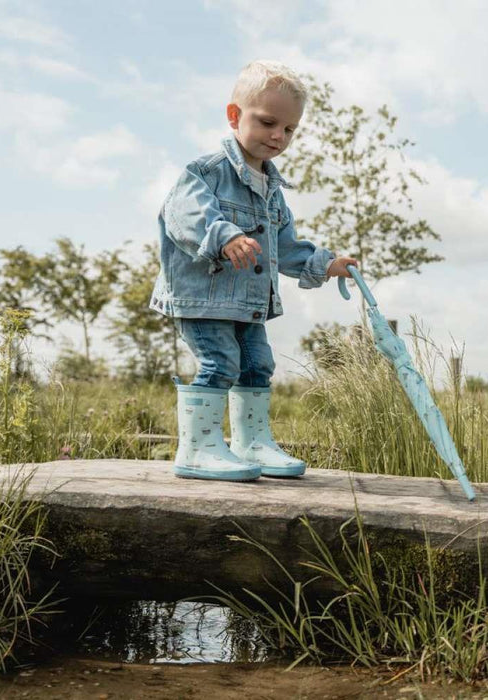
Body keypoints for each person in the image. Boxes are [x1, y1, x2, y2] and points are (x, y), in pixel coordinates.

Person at [150, 60, 357, 482]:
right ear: (234, 116)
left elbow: (284, 247)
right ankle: (199, 448)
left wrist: (326, 264)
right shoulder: (206, 173)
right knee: (220, 361)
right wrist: (224, 235)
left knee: (257, 364)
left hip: (249, 302)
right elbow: (185, 216)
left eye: (289, 129)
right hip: (204, 298)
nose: (278, 136)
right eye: (267, 123)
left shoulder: (273, 193)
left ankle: (252, 443)